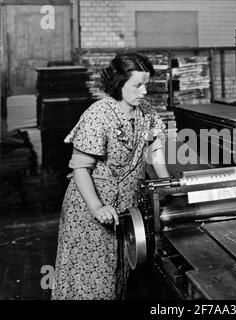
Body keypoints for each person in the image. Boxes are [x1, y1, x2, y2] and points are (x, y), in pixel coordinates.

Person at [51, 53, 170, 300]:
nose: (145, 91)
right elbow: (80, 169)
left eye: (146, 84)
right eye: (138, 85)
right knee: (89, 283)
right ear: (118, 84)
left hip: (125, 211)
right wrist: (97, 207)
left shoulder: (145, 112)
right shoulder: (98, 115)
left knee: (116, 278)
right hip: (90, 211)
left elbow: (155, 150)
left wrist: (167, 184)